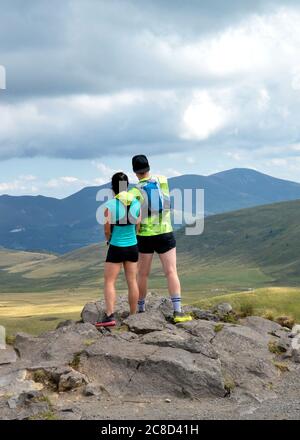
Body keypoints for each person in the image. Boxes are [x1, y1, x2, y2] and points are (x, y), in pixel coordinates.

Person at [129, 155, 192, 323]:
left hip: (144, 236)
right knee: (171, 271)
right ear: (149, 167)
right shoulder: (162, 180)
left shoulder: (133, 191)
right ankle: (178, 312)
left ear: (135, 172)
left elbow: (134, 216)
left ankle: (141, 308)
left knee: (143, 274)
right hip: (165, 232)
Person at [96, 172, 141, 327]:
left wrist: (110, 240)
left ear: (113, 188)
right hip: (132, 246)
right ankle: (134, 315)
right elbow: (138, 226)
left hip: (116, 246)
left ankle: (109, 316)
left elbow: (107, 231)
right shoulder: (136, 203)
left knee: (109, 281)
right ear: (127, 186)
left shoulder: (110, 206)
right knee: (132, 281)